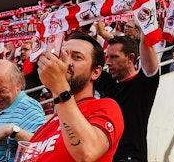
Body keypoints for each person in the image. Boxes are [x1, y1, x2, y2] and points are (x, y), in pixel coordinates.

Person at [27, 33, 124, 162]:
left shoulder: (106, 107)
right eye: (63, 55)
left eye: (77, 57)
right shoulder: (49, 124)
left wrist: (59, 87)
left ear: (95, 72)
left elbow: (87, 152)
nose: (66, 62)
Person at [93, 30, 160, 162]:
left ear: (130, 58)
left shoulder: (144, 83)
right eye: (107, 57)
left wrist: (144, 18)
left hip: (131, 157)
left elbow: (147, 46)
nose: (108, 62)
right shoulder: (108, 83)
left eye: (114, 57)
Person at [0, 59, 46, 162]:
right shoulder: (3, 109)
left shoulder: (28, 107)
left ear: (18, 84)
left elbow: (43, 146)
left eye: (0, 90)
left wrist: (13, 131)